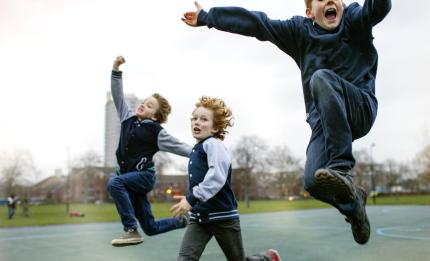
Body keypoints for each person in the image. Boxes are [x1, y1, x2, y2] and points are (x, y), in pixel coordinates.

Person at [181, 0, 392, 245]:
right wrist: (209, 17)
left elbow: (379, 8)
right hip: (325, 123)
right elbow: (258, 23)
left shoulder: (354, 19)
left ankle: (341, 168)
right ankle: (354, 206)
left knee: (321, 78)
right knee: (314, 181)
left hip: (360, 108)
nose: (330, 1)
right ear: (309, 12)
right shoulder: (299, 32)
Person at [170, 96, 281, 260]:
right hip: (199, 218)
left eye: (203, 119)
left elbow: (216, 177)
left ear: (214, 128)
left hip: (223, 216)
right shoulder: (196, 149)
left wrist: (192, 199)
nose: (197, 122)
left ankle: (267, 258)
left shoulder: (214, 145)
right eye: (194, 119)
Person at [108, 55, 192, 247]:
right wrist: (116, 69)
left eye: (149, 105)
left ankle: (130, 230)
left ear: (155, 116)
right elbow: (117, 95)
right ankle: (185, 221)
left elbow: (178, 146)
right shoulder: (126, 118)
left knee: (114, 183)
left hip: (144, 177)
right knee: (151, 227)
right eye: (144, 102)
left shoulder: (155, 131)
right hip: (130, 179)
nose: (143, 104)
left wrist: (202, 151)